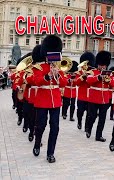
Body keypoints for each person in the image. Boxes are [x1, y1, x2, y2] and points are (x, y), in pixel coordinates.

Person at [32, 35, 68, 163]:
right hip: (42, 100)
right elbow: (37, 81)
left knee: (55, 127)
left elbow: (64, 83)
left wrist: (57, 74)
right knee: (41, 126)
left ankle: (50, 153)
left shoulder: (58, 68)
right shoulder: (39, 67)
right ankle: (37, 143)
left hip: (56, 101)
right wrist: (48, 76)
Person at [86, 51, 111, 142]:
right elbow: (89, 81)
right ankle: (89, 128)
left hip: (104, 98)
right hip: (94, 98)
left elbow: (111, 84)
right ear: (98, 64)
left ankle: (99, 135)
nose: (103, 67)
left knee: (102, 118)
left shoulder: (108, 73)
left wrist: (109, 81)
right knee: (92, 116)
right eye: (101, 65)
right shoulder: (92, 71)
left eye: (104, 65)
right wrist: (99, 77)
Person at [75, 52, 96, 130]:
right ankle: (79, 122)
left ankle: (87, 127)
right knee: (80, 111)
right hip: (81, 95)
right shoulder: (78, 73)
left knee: (89, 114)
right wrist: (83, 76)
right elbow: (77, 83)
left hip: (90, 96)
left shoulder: (93, 72)